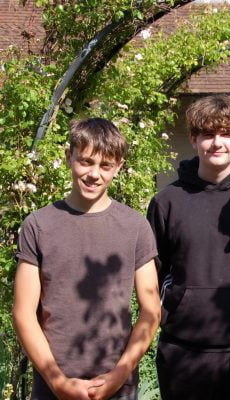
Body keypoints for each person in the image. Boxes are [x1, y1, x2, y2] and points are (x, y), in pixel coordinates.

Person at [12, 118, 161, 400]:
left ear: (118, 167)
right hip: (53, 381)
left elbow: (151, 311)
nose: (94, 174)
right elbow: (23, 312)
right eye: (86, 162)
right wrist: (58, 381)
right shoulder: (39, 225)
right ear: (69, 157)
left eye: (105, 165)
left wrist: (119, 375)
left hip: (117, 384)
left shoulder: (135, 226)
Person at [147, 94, 230, 400]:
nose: (217, 143)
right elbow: (153, 275)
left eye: (226, 134)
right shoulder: (167, 201)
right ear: (194, 139)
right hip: (183, 351)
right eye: (208, 134)